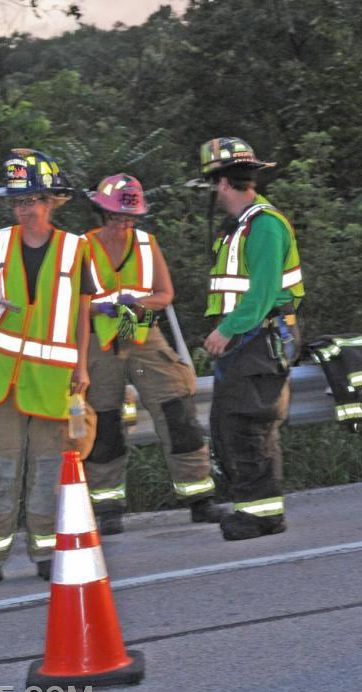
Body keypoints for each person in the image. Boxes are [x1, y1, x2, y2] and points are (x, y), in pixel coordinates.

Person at [0, 148, 92, 589]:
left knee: (49, 475)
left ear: (52, 201)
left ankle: (46, 553)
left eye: (33, 200)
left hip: (55, 380)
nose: (25, 209)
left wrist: (83, 364)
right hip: (2, 379)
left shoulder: (76, 249)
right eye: (18, 201)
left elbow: (82, 311)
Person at [81, 173, 224, 534]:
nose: (123, 224)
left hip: (140, 331)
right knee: (104, 423)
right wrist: (102, 309)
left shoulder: (146, 243)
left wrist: (132, 306)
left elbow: (164, 294)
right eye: (116, 216)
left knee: (177, 409)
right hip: (99, 340)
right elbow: (71, 303)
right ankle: (107, 507)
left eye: (129, 217)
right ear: (101, 213)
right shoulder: (81, 246)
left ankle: (199, 498)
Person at [199, 137, 304, 540]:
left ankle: (261, 514)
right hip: (250, 336)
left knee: (249, 424)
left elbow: (260, 294)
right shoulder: (241, 228)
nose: (214, 193)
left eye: (214, 184)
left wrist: (225, 330)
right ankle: (254, 507)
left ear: (224, 183)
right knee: (233, 423)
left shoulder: (264, 226)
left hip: (257, 335)